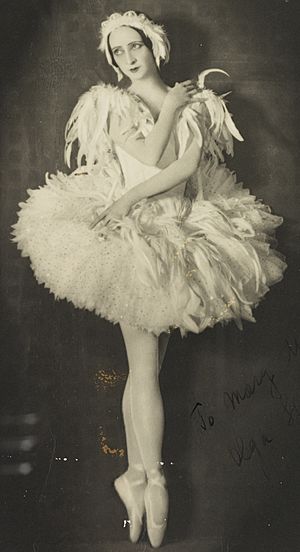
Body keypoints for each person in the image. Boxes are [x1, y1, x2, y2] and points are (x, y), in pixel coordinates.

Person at [11, 10, 287, 549]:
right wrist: (132, 191)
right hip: (132, 240)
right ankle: (151, 477)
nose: (127, 58)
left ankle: (134, 476)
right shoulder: (110, 104)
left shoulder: (196, 104)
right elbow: (146, 159)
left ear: (154, 46)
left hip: (179, 234)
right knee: (143, 368)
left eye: (134, 46)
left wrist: (181, 109)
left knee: (146, 368)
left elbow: (185, 169)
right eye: (117, 52)